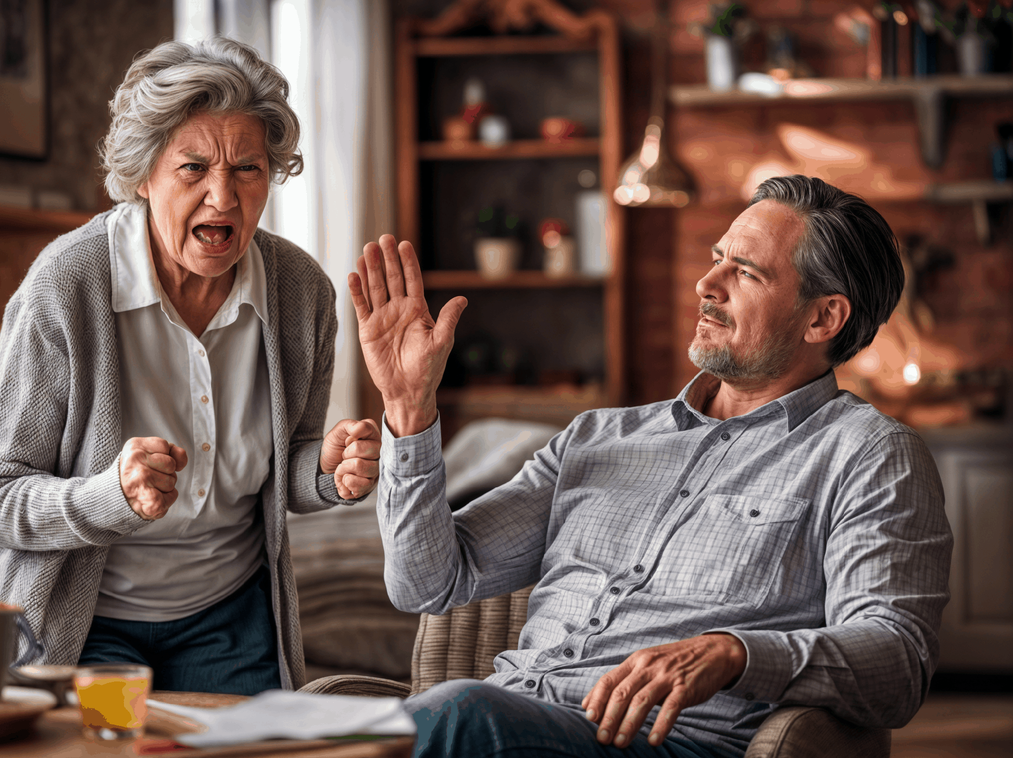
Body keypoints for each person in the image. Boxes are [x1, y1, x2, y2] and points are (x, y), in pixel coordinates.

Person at [350, 175, 952, 757]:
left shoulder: (868, 455)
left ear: (822, 319)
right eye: (717, 258)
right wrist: (409, 407)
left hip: (665, 742)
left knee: (456, 717)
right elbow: (425, 582)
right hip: (508, 717)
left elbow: (897, 662)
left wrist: (733, 653)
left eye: (745, 272)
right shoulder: (596, 437)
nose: (706, 284)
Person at [0, 38, 380, 695]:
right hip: (79, 620)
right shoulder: (68, 285)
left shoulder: (301, 292)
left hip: (228, 617)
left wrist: (324, 469)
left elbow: (284, 468)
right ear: (142, 176)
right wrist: (108, 497)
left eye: (248, 169)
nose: (223, 196)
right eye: (193, 169)